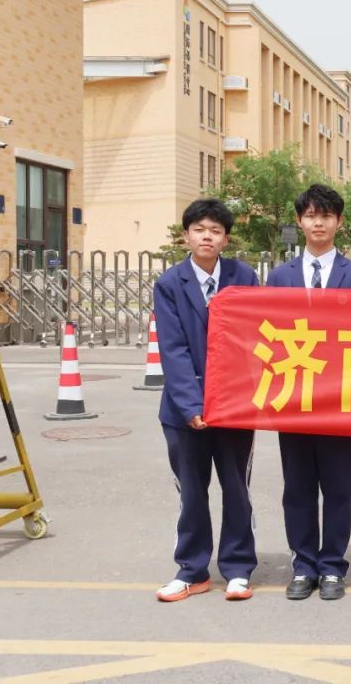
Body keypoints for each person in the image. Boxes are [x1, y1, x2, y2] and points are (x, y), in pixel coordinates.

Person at [266, 184, 351, 602]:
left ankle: (332, 567)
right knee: (297, 488)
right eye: (311, 215)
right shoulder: (280, 277)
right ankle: (303, 565)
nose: (318, 223)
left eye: (326, 216)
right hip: (293, 398)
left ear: (339, 222)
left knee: (337, 487)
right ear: (299, 221)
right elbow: (268, 336)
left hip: (339, 400)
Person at [153, 198, 258, 603]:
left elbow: (254, 337)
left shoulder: (243, 277)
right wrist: (192, 406)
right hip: (184, 412)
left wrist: (238, 399)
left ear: (226, 239)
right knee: (192, 492)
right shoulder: (169, 283)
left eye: (215, 231)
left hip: (234, 408)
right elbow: (173, 349)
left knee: (236, 488)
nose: (207, 237)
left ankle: (238, 568)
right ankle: (192, 570)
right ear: (186, 236)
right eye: (199, 230)